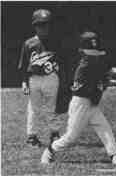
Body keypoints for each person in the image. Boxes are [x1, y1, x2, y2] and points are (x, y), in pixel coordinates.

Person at [40, 31, 116, 164]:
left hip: (92, 104)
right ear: (82, 52)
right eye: (91, 54)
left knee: (104, 128)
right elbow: (102, 82)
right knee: (71, 137)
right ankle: (50, 150)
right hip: (81, 104)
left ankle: (114, 154)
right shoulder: (84, 69)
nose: (95, 57)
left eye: (96, 53)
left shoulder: (96, 62)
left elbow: (109, 70)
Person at [18, 9, 67, 147]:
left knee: (52, 107)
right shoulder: (29, 43)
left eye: (47, 24)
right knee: (33, 108)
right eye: (40, 25)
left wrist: (60, 75)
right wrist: (24, 82)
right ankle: (31, 136)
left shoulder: (56, 42)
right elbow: (23, 66)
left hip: (51, 78)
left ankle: (54, 133)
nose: (44, 28)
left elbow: (63, 61)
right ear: (35, 26)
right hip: (34, 79)